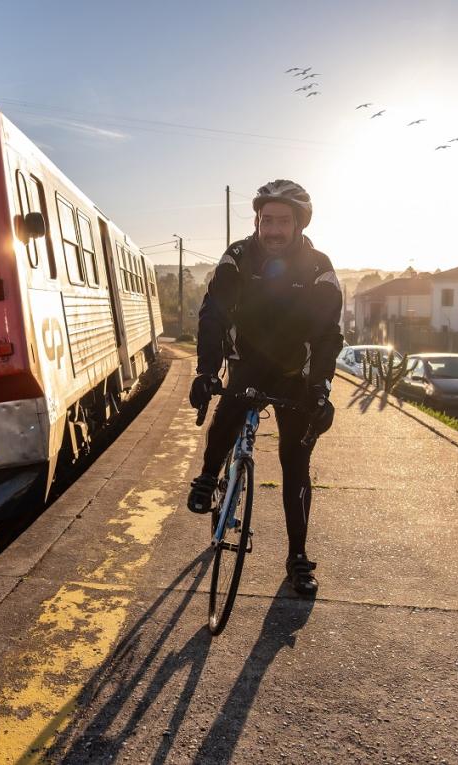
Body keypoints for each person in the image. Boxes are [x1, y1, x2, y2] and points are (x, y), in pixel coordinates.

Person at [186, 179, 342, 597]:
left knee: (296, 463)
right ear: (256, 220)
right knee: (232, 407)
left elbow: (328, 334)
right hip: (248, 365)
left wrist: (321, 389)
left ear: (298, 224)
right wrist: (206, 371)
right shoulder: (238, 257)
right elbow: (213, 313)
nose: (272, 230)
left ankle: (297, 558)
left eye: (282, 222)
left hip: (294, 373)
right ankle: (206, 477)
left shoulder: (318, 266)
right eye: (265, 220)